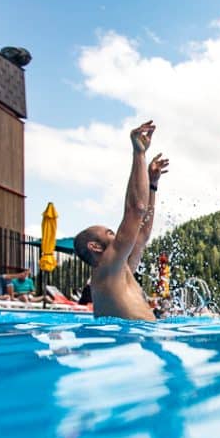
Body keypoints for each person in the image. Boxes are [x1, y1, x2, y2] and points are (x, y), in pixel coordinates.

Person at [74, 121, 168, 321]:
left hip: (138, 335)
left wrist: (152, 186)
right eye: (109, 233)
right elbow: (136, 209)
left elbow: (142, 234)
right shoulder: (105, 268)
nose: (116, 235)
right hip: (128, 338)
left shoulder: (119, 269)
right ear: (95, 246)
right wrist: (139, 154)